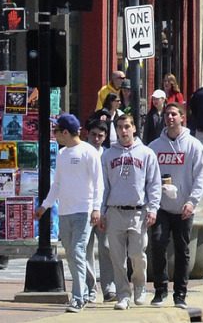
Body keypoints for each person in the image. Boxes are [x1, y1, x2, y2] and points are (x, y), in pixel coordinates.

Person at [35, 113, 103, 314]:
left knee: (77, 251)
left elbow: (98, 183)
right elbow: (57, 184)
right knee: (72, 254)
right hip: (65, 211)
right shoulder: (63, 154)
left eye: (56, 130)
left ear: (65, 132)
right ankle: (89, 287)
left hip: (84, 210)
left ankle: (78, 297)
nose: (54, 134)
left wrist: (96, 208)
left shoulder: (88, 152)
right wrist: (45, 206)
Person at [99, 113, 160, 310]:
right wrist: (101, 211)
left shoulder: (146, 153)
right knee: (117, 257)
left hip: (138, 211)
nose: (123, 131)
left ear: (134, 128)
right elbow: (103, 186)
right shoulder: (108, 155)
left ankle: (140, 285)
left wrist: (153, 208)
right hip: (115, 210)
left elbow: (154, 184)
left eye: (127, 127)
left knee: (137, 253)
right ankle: (123, 294)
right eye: (119, 127)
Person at [148, 103, 203, 309]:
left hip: (184, 207)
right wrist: (152, 203)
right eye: (167, 114)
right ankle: (160, 290)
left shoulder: (193, 146)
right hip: (161, 206)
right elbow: (149, 177)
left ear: (182, 118)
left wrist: (192, 202)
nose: (170, 117)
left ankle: (180, 293)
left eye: (174, 114)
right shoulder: (155, 147)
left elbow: (200, 178)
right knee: (157, 244)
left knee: (182, 250)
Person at [83, 121, 114, 304]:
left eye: (100, 136)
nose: (96, 139)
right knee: (85, 250)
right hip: (85, 208)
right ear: (87, 134)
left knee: (107, 248)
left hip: (104, 209)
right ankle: (89, 289)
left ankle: (109, 288)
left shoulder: (108, 155)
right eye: (93, 134)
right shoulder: (82, 153)